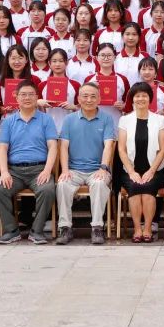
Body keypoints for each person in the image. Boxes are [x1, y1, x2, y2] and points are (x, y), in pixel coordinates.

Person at [0, 81, 58, 244]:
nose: (27, 98)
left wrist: (47, 170)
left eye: (31, 94)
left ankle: (37, 231)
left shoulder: (46, 120)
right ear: (16, 97)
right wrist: (4, 172)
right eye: (23, 94)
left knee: (47, 189)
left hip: (39, 169)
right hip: (15, 171)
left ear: (37, 97)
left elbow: (53, 146)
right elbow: (2, 149)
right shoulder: (8, 121)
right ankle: (11, 230)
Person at [56, 83, 116, 245]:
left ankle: (97, 227)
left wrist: (103, 167)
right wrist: (65, 170)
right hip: (74, 170)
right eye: (85, 96)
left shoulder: (106, 119)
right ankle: (65, 227)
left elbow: (109, 145)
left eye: (93, 96)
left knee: (99, 183)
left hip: (97, 169)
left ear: (99, 99)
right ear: (78, 98)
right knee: (62, 184)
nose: (89, 100)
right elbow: (64, 146)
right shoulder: (69, 119)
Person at [116, 82, 164, 242]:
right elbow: (121, 149)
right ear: (132, 99)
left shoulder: (160, 120)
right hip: (130, 169)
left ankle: (147, 228)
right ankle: (137, 229)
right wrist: (131, 172)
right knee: (134, 186)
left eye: (144, 96)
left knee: (147, 187)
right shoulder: (124, 120)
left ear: (150, 98)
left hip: (155, 169)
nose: (141, 98)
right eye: (137, 96)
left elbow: (162, 149)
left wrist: (151, 171)